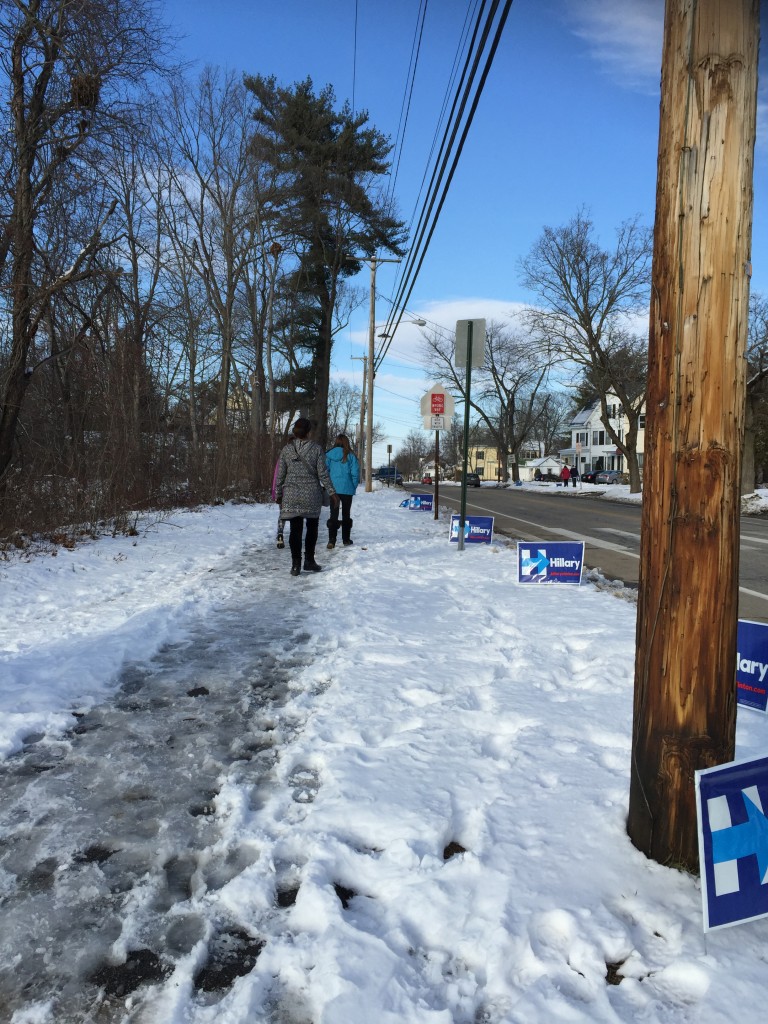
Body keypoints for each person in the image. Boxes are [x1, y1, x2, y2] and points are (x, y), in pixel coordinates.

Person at [275, 418, 338, 576]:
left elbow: (280, 475)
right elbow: (323, 473)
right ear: (309, 432)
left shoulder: (287, 449)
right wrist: (332, 492)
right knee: (312, 528)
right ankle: (309, 561)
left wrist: (278, 494)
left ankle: (295, 565)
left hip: (291, 495)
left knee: (295, 530)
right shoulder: (316, 449)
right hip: (311, 495)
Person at [325, 433, 360, 548]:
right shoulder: (351, 456)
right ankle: (346, 539)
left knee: (333, 513)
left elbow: (325, 471)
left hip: (333, 489)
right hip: (347, 488)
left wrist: (328, 485)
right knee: (346, 514)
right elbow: (355, 473)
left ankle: (332, 540)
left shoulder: (329, 455)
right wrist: (353, 486)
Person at [271, 459, 285, 548]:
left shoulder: (281, 460)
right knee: (296, 515)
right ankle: (295, 537)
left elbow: (276, 476)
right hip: (295, 492)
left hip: (282, 491)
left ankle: (280, 532)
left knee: (282, 514)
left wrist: (274, 492)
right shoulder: (299, 458)